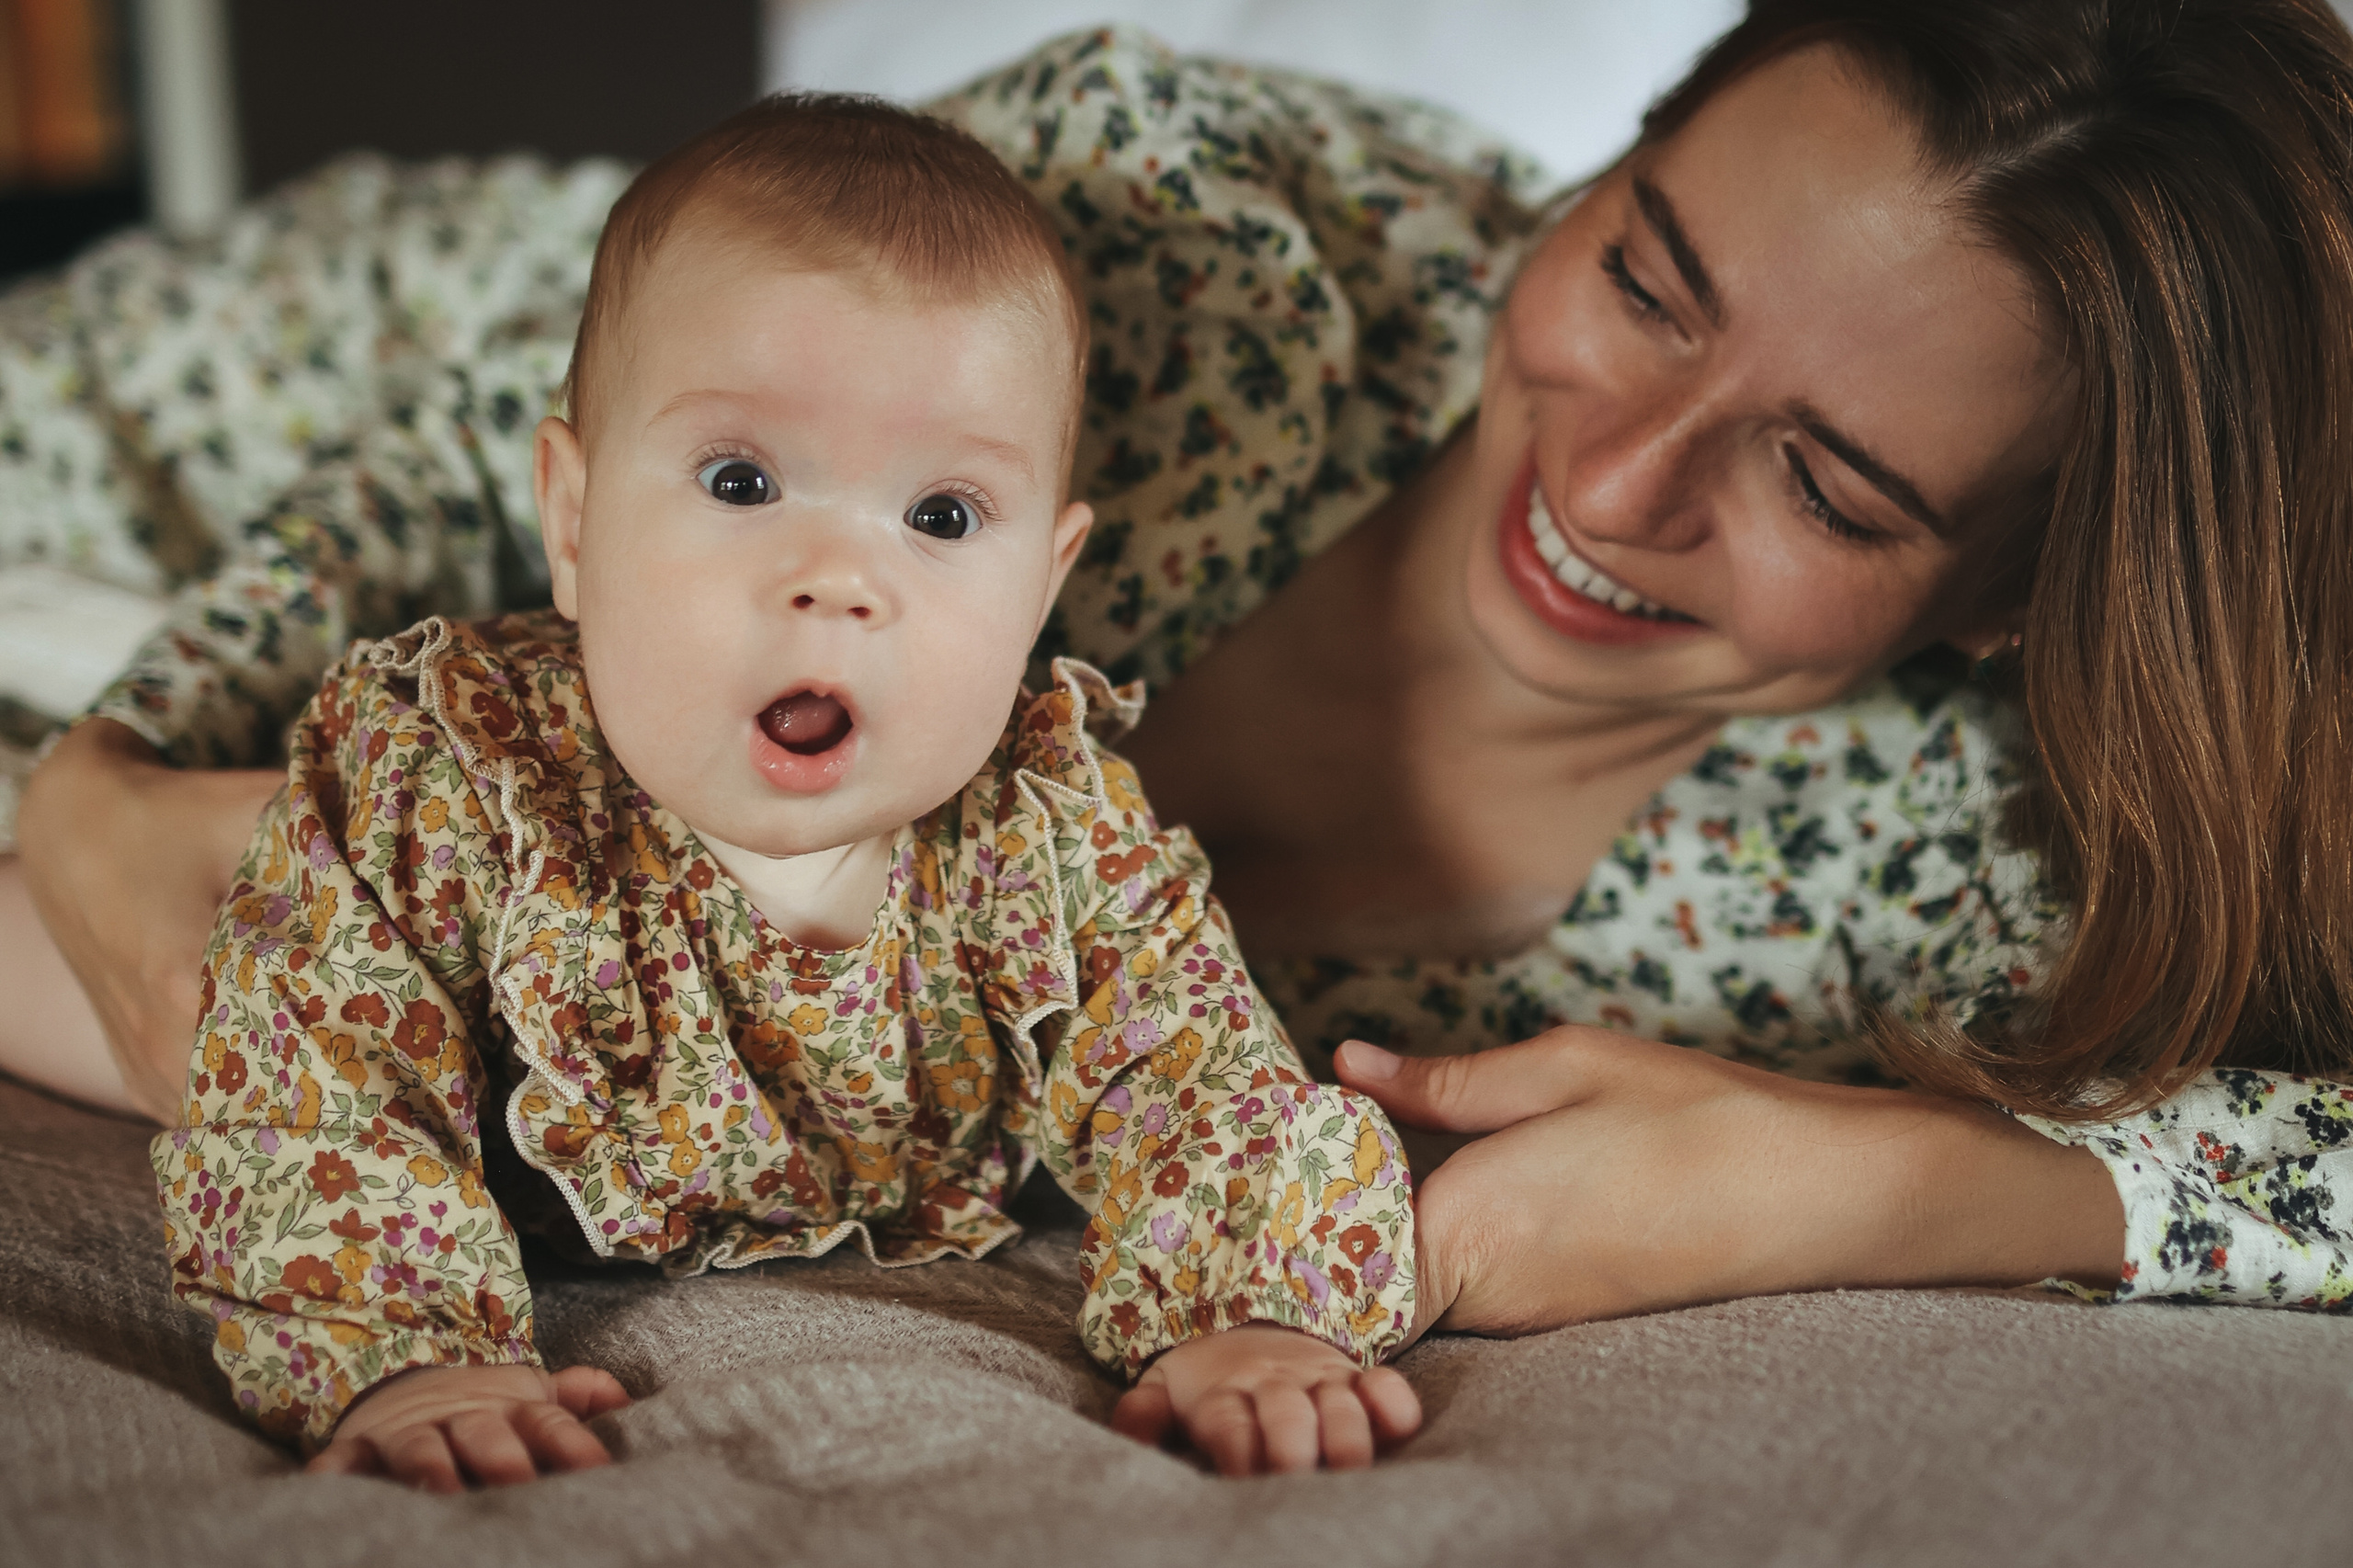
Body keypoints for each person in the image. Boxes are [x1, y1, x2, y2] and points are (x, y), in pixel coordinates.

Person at [5, 0, 2348, 1416]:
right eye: (1642, 276)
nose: (1615, 478)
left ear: (2005, 601)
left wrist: (1884, 1177)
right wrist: (123, 771)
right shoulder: (1194, 230)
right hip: (298, 403)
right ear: (1617, 156)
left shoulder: (1957, 882)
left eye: (1823, 482)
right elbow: (470, 458)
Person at [148, 93, 1421, 1488]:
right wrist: (407, 1350)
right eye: (743, 479)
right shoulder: (453, 783)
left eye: (940, 517)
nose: (836, 578)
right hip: (289, 942)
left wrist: (1249, 1313)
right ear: (573, 524)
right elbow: (333, 1080)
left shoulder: (1048, 835)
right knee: (160, 978)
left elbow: (1197, 1073)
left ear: (1042, 588)